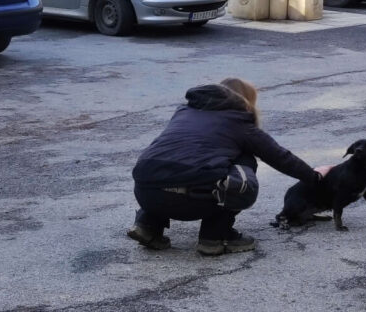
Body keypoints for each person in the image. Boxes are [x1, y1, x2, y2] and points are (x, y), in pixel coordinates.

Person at [128, 77, 323, 256]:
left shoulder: (184, 112)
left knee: (169, 163)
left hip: (145, 192)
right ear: (245, 102)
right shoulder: (240, 121)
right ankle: (215, 236)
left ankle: (148, 225)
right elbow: (281, 157)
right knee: (245, 159)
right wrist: (315, 178)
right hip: (195, 200)